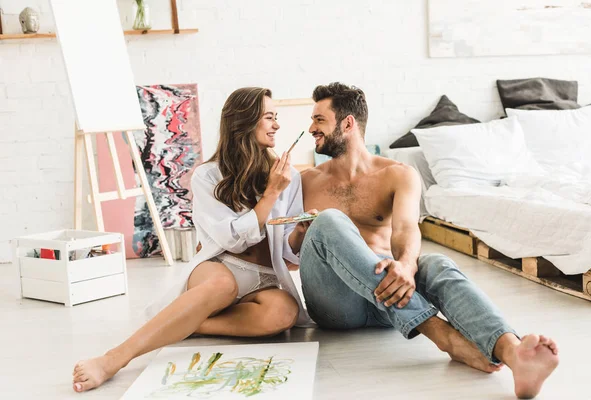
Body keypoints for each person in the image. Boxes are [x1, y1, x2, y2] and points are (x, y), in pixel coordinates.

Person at [299, 82, 559, 399]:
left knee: (436, 263)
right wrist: (304, 233)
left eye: (319, 120)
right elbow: (290, 251)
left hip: (387, 303)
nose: (311, 128)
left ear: (348, 123)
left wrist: (407, 266)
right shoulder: (305, 181)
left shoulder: (398, 174)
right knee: (328, 221)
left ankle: (514, 354)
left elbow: (407, 229)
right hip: (335, 306)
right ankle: (443, 335)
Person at [72, 87, 312, 392]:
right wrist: (271, 194)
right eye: (268, 117)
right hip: (221, 266)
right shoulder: (208, 175)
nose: (276, 125)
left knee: (284, 313)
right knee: (223, 286)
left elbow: (290, 256)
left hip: (264, 279)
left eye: (275, 117)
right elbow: (233, 240)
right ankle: (114, 358)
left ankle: (187, 320)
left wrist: (300, 235)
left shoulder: (290, 177)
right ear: (244, 121)